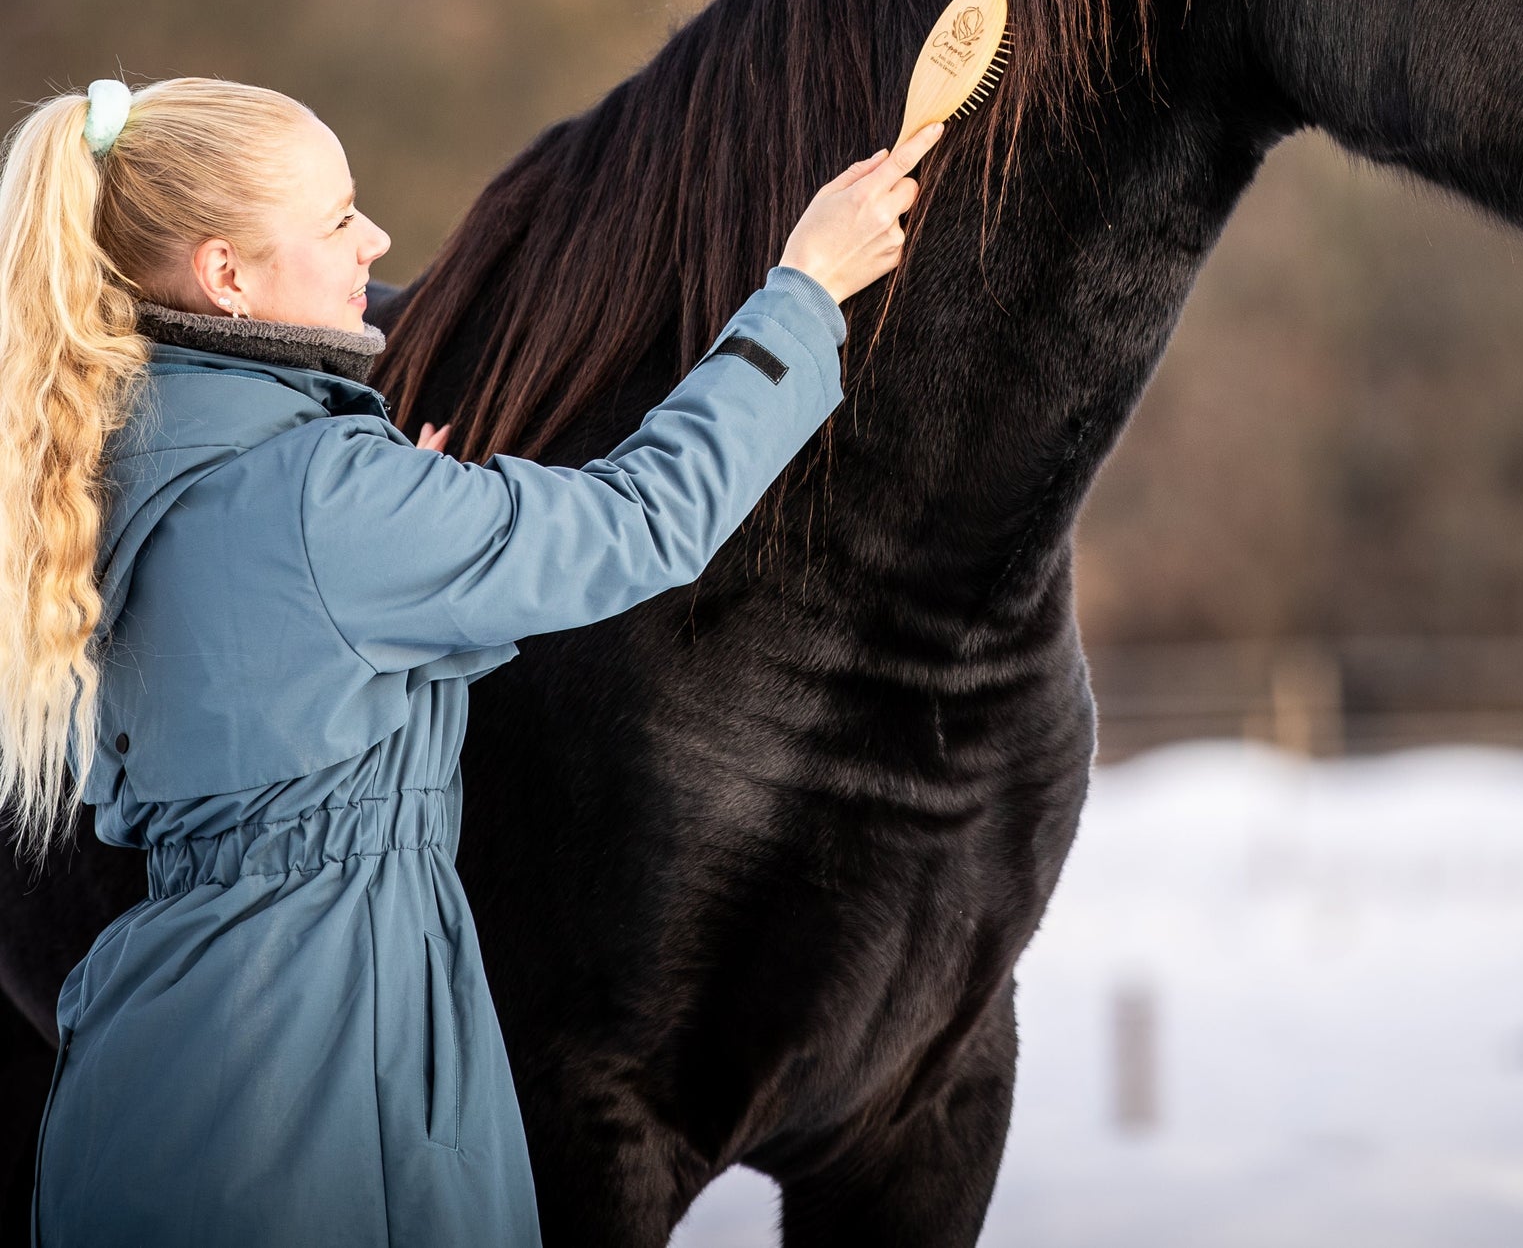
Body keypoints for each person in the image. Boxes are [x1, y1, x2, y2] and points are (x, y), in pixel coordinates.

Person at [0, 74, 943, 1247]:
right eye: (337, 217)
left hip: (170, 1051)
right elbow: (641, 522)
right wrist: (801, 296)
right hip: (317, 1069)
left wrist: (400, 508)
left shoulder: (116, 462)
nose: (376, 239)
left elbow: (293, 664)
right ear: (227, 275)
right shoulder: (321, 499)